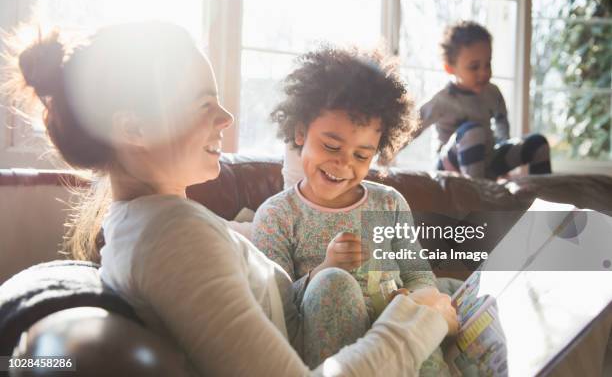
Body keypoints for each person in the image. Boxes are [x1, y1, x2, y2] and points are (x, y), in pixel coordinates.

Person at [6, 21, 458, 376]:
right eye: (205, 105)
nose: (226, 117)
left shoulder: (157, 224)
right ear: (133, 130)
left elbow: (286, 314)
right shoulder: (171, 239)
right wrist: (420, 323)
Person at [253, 45, 452, 375]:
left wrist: (412, 299)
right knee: (334, 283)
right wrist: (325, 268)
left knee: (427, 305)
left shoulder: (388, 204)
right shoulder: (278, 216)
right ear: (301, 131)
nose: (343, 163)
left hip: (398, 345)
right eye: (331, 146)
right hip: (335, 354)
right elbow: (277, 311)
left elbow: (419, 275)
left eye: (362, 156)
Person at [411, 20, 551, 179]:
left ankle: (543, 198)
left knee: (537, 143)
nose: (484, 72)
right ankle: (477, 196)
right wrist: (385, 156)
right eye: (474, 67)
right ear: (450, 68)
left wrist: (503, 159)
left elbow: (502, 126)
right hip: (450, 169)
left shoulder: (492, 92)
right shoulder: (442, 99)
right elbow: (410, 128)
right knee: (473, 132)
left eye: (488, 64)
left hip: (487, 162)